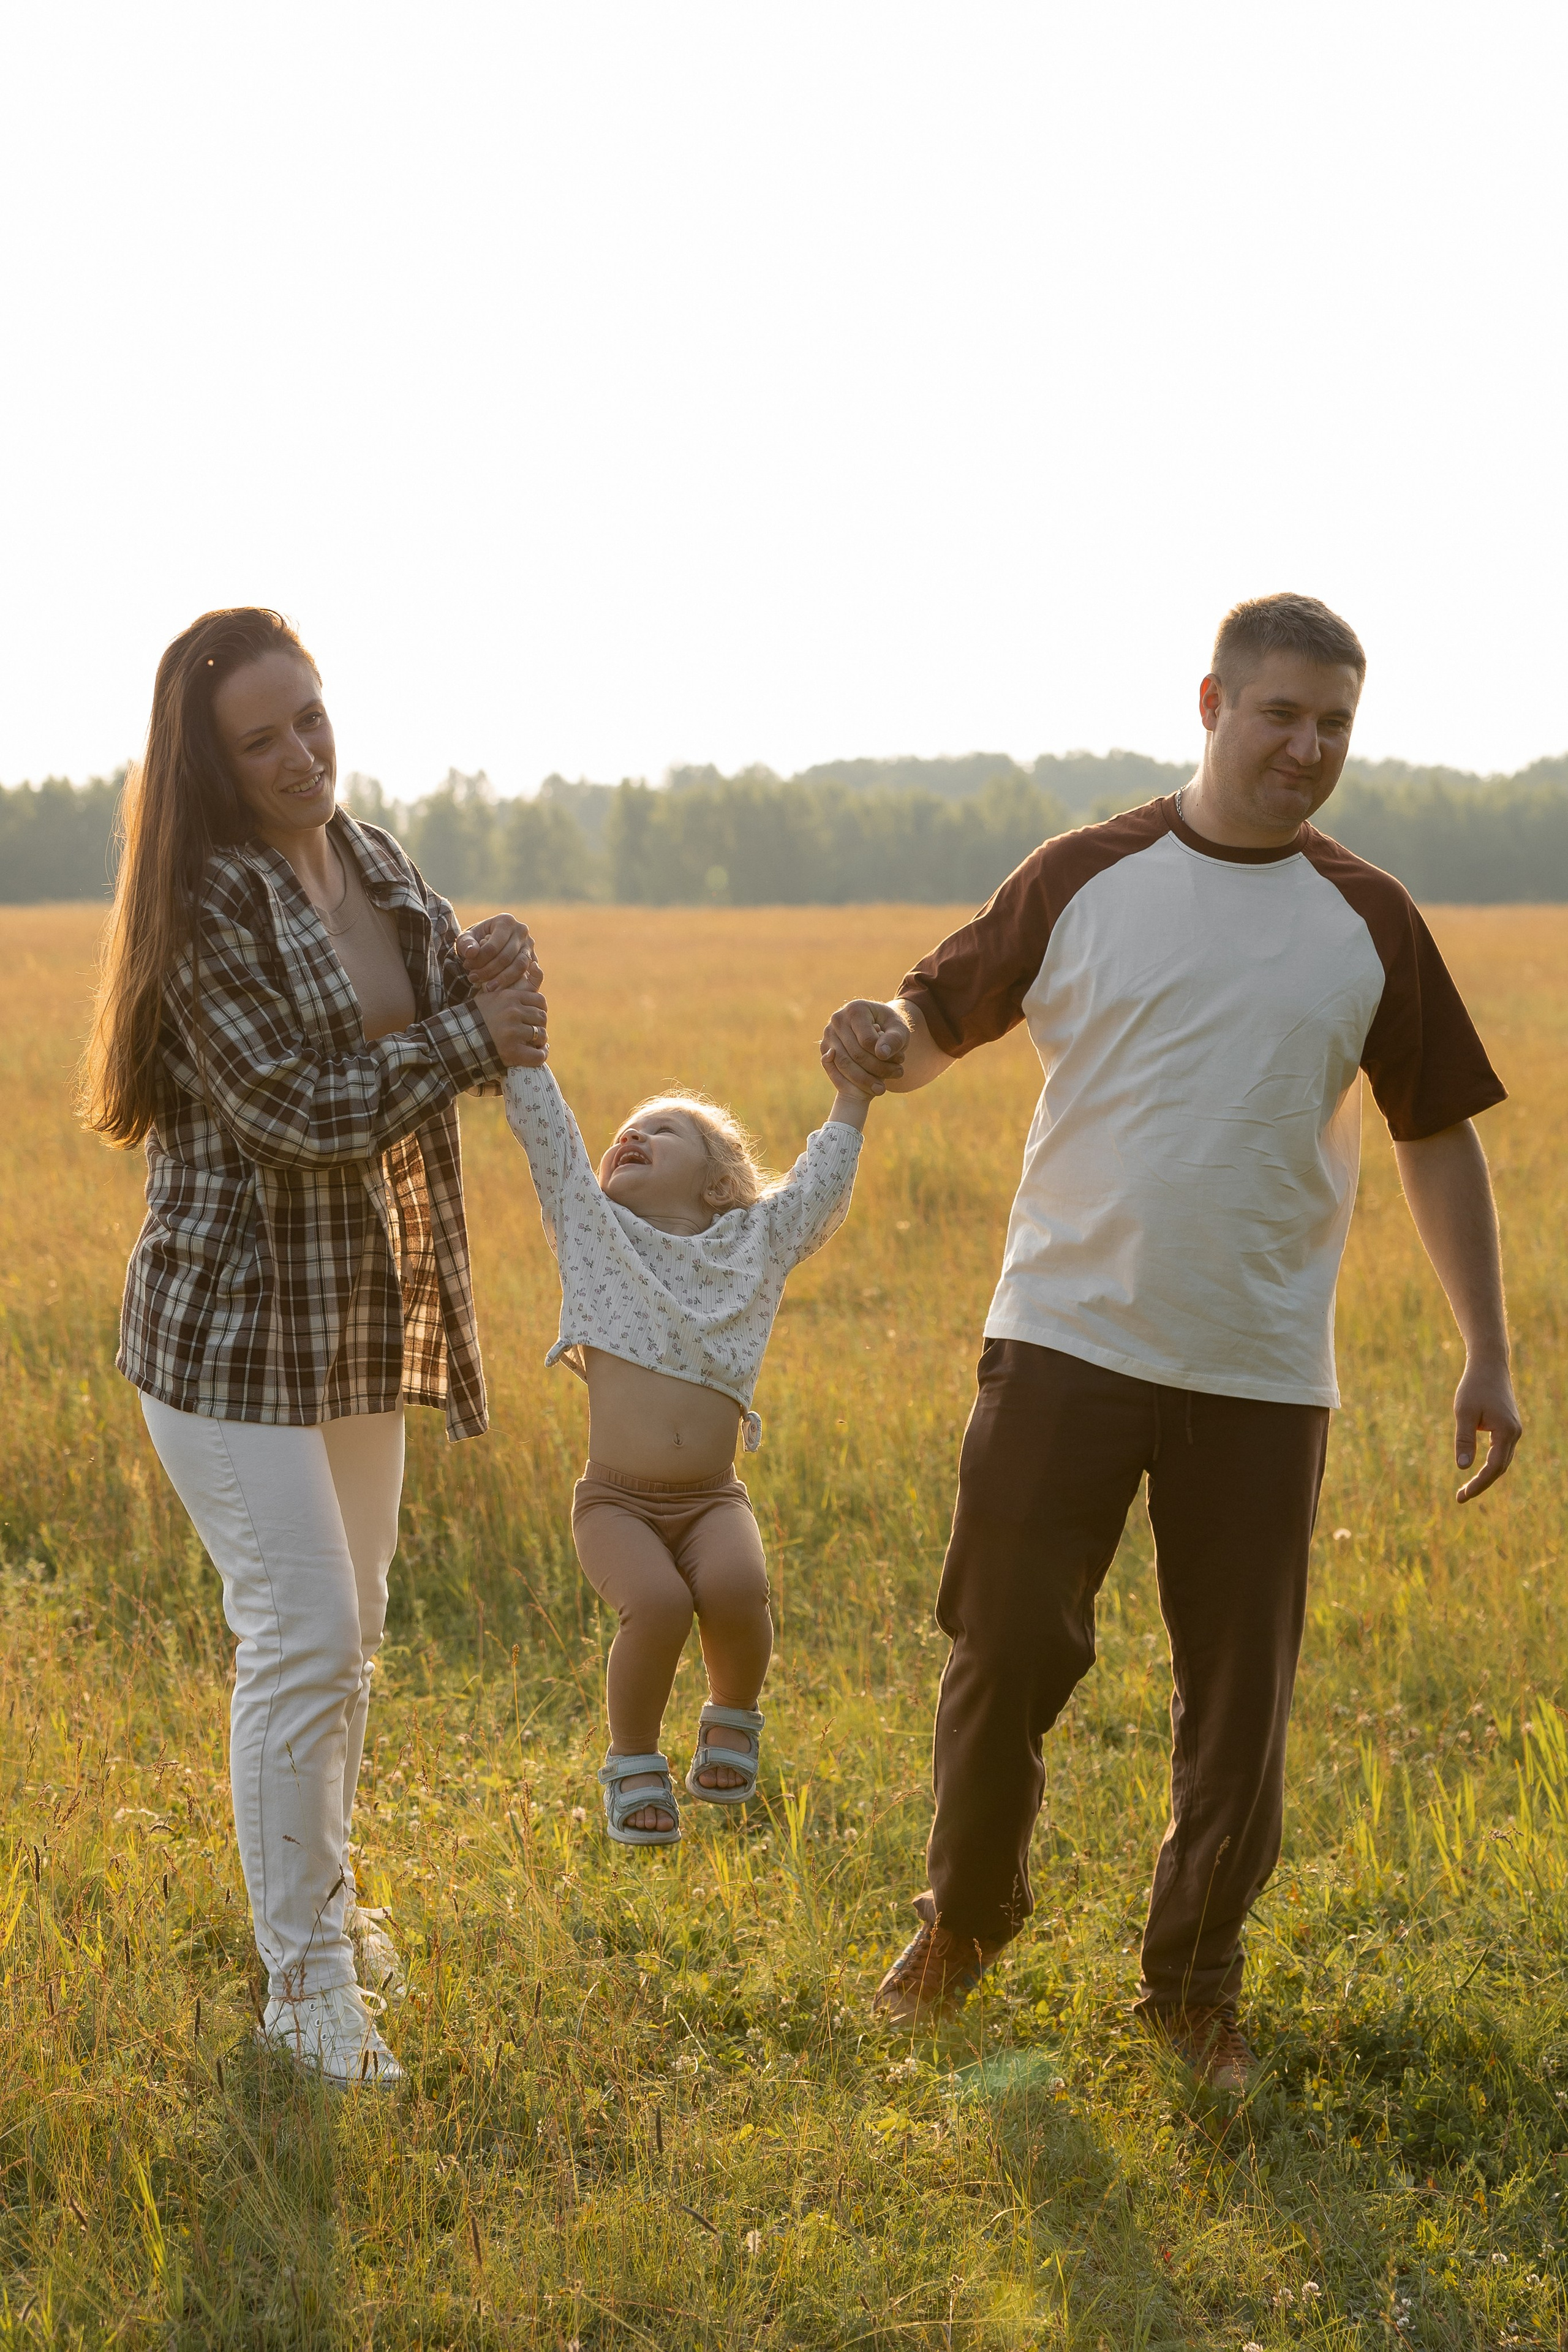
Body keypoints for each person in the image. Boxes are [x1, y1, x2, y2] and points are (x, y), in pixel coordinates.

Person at [820, 592, 1522, 2091]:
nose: (1308, 747)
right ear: (1210, 704)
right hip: (1062, 1337)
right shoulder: (1085, 873)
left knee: (1239, 1703)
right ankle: (963, 1925)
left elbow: (1436, 1138)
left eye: (1334, 723)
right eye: (1280, 715)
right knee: (1002, 1650)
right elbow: (936, 1018)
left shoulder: (1370, 917)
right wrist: (878, 1038)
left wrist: (1485, 1350)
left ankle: (1193, 1988)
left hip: (1261, 1371)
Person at [84, 607, 547, 2087]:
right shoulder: (206, 906)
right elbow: (293, 1111)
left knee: (355, 1646)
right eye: (261, 739)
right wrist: (478, 1038)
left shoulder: (371, 853)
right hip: (227, 1337)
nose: (301, 755)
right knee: (305, 1638)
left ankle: (330, 1920)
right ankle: (302, 1994)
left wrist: (489, 963)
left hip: (354, 1310)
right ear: (211, 767)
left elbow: (436, 985)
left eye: (311, 716)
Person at [503, 1038, 868, 1843]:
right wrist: (519, 1046)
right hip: (616, 1504)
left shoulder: (753, 1246)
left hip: (712, 1498)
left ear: (718, 1180)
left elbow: (816, 1193)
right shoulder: (596, 1237)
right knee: (660, 1605)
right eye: (626, 1131)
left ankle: (733, 1716)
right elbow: (553, 1137)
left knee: (739, 1588)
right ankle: (633, 1765)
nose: (631, 1135)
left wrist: (853, 1099)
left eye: (664, 1130)